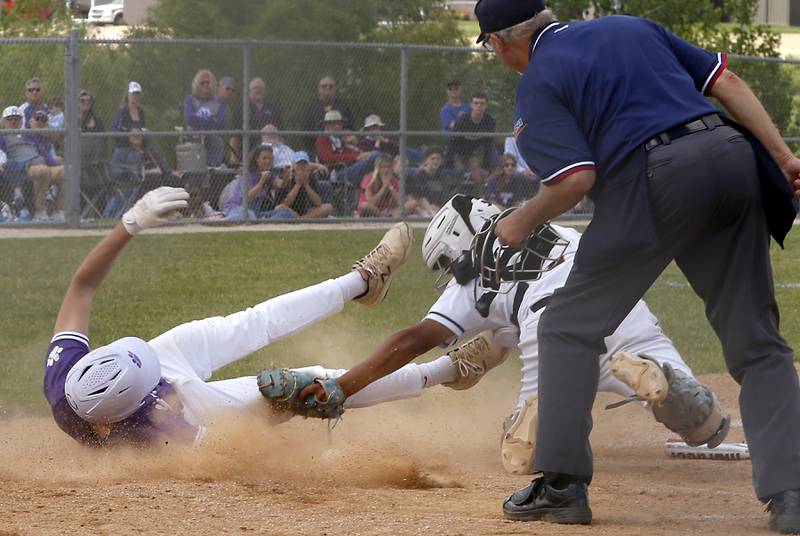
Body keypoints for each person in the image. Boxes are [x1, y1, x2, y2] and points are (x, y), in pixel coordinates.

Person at [474, 0, 800, 530]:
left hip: (656, 180)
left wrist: (519, 222)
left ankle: (561, 485)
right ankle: (792, 497)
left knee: (567, 325)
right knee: (757, 340)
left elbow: (575, 180)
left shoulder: (539, 77)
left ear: (500, 43)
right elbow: (728, 81)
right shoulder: (630, 27)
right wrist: (784, 158)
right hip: (733, 158)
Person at [286, 195, 729, 477]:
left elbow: (411, 340)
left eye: (444, 262)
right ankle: (662, 378)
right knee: (702, 423)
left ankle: (534, 417)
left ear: (458, 241)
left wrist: (343, 386)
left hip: (550, 326)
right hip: (617, 300)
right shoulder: (544, 226)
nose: (447, 273)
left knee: (519, 455)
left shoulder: (471, 273)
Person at [43, 185, 423, 448]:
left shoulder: (65, 382)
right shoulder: (155, 434)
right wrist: (279, 408)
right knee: (313, 380)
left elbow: (82, 287)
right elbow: (226, 452)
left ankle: (361, 282)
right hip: (189, 405)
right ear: (106, 425)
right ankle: (444, 371)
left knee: (252, 322)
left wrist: (129, 224)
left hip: (158, 363)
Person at [0, 106, 65, 222]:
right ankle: (39, 212)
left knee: (64, 171)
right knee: (43, 170)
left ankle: (58, 211)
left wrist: (55, 163)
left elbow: (44, 153)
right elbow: (2, 156)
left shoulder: (28, 135)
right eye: (10, 119)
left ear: (21, 120)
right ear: (4, 122)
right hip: (22, 169)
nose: (13, 121)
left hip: (42, 165)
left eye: (16, 118)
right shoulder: (2, 136)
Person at [230, 77, 283, 167]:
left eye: (261, 88)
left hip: (269, 150)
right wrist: (233, 157)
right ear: (249, 91)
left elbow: (281, 135)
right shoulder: (241, 110)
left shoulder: (273, 109)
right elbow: (234, 137)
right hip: (248, 150)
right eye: (255, 88)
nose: (258, 90)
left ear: (265, 91)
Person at [184, 70, 228, 167]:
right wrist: (211, 120)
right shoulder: (190, 100)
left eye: (208, 82)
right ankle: (195, 168)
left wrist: (200, 120)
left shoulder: (219, 102)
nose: (205, 85)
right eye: (202, 83)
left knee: (217, 141)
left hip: (213, 135)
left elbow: (222, 122)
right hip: (194, 134)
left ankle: (212, 168)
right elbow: (189, 118)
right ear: (197, 84)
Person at [272, 151, 334, 219]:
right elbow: (286, 203)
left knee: (328, 207)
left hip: (305, 212)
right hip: (288, 210)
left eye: (304, 165)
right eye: (299, 165)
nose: (301, 168)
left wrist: (306, 185)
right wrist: (298, 185)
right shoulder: (288, 178)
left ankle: (301, 219)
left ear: (308, 167)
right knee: (280, 208)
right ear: (293, 166)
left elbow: (318, 203)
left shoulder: (310, 178)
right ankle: (299, 219)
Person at [445, 91, 497, 170]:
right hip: (459, 152)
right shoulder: (462, 121)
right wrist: (450, 162)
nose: (479, 106)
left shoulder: (489, 121)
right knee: (461, 172)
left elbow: (488, 144)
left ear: (486, 105)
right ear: (471, 105)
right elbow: (452, 142)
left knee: (476, 173)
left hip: (474, 153)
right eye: (476, 103)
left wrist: (486, 165)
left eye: (482, 103)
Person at [301, 75, 354, 152]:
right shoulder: (311, 107)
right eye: (324, 86)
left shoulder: (343, 105)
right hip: (318, 147)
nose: (327, 88)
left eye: (331, 86)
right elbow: (305, 131)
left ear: (335, 88)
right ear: (318, 88)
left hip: (342, 145)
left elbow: (351, 127)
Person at [111, 82, 146, 147]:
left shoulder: (140, 112)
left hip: (140, 145)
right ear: (128, 95)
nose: (135, 96)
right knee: (135, 157)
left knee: (155, 154)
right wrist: (130, 133)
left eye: (137, 93)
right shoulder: (122, 111)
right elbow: (114, 130)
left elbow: (143, 128)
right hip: (124, 146)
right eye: (133, 93)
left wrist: (142, 132)